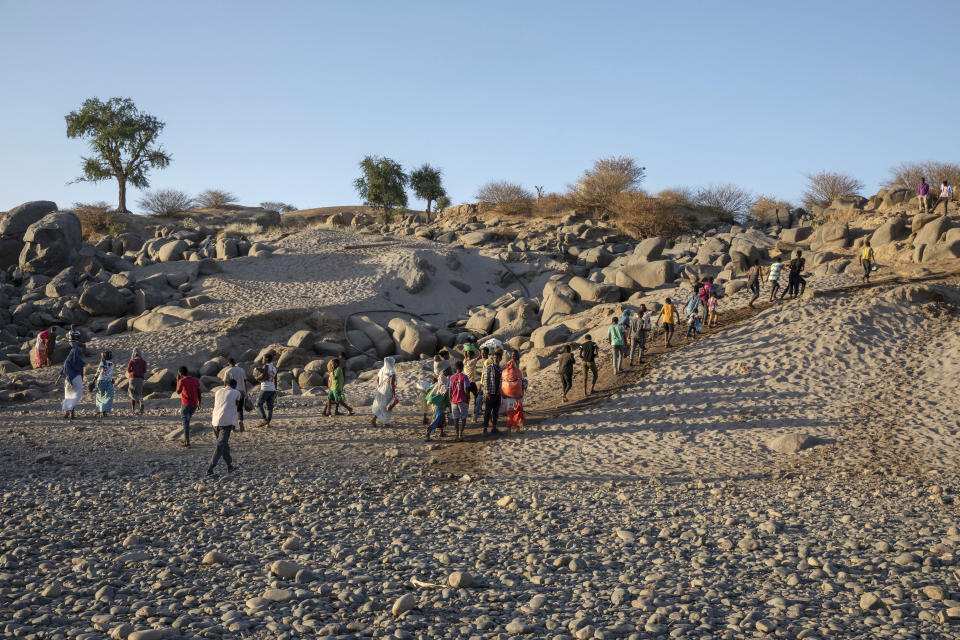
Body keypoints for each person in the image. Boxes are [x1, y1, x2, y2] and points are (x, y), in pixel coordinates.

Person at [207, 378, 240, 476]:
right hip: (226, 423)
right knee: (220, 445)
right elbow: (237, 406)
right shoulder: (236, 392)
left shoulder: (218, 392)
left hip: (215, 421)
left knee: (223, 444)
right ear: (234, 386)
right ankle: (210, 468)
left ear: (226, 384)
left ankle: (229, 465)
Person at [57, 344, 85, 419]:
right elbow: (82, 371)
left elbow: (63, 371)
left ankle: (67, 413)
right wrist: (81, 380)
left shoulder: (67, 360)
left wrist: (57, 380)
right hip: (77, 379)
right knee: (75, 396)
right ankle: (72, 413)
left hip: (68, 380)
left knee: (68, 397)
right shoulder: (79, 361)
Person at [176, 366, 202, 448]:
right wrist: (199, 402)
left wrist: (178, 381)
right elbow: (199, 391)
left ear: (180, 373)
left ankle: (187, 441)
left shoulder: (182, 381)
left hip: (186, 404)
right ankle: (185, 438)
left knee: (185, 422)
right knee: (187, 421)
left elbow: (178, 392)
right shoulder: (195, 380)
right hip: (194, 404)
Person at [500, 356, 526, 431]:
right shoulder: (518, 371)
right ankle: (518, 427)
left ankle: (509, 427)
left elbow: (502, 384)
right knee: (518, 411)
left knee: (510, 411)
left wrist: (503, 394)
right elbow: (524, 383)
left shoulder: (504, 372)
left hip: (508, 396)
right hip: (518, 396)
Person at [371, 357, 398, 427]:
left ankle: (374, 419)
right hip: (387, 390)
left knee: (380, 406)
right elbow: (392, 383)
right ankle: (386, 423)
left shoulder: (382, 369)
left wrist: (380, 386)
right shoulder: (391, 370)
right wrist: (393, 392)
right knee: (387, 407)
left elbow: (377, 379)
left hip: (380, 390)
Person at [221, 358, 247, 429]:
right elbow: (245, 382)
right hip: (241, 391)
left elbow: (225, 383)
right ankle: (240, 421)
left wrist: (224, 392)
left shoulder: (228, 371)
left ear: (228, 363)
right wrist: (246, 393)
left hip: (232, 392)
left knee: (232, 408)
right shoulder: (241, 370)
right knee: (240, 408)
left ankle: (233, 426)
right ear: (235, 362)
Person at [481, 350, 503, 436]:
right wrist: (487, 392)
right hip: (490, 393)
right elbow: (486, 380)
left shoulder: (501, 369)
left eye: (497, 358)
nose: (495, 359)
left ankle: (494, 427)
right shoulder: (489, 367)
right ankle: (485, 430)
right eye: (494, 357)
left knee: (495, 412)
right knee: (487, 412)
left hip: (498, 394)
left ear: (500, 359)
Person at [254, 353, 277, 427]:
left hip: (265, 388)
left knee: (258, 404)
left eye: (263, 358)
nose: (262, 360)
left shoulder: (266, 366)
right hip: (272, 389)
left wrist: (257, 378)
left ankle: (264, 419)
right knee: (270, 407)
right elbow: (275, 379)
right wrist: (275, 389)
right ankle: (268, 423)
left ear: (266, 359)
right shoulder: (274, 368)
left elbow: (264, 375)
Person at [426, 367, 449, 440]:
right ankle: (428, 433)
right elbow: (447, 397)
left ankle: (441, 433)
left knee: (442, 419)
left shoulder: (436, 385)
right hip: (439, 406)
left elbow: (428, 390)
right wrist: (449, 405)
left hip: (436, 405)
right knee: (437, 419)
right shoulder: (445, 387)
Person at [449, 360, 470, 441]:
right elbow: (465, 389)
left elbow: (450, 390)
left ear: (455, 368)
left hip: (454, 401)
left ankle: (457, 435)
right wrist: (467, 398)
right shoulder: (464, 377)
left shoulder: (452, 377)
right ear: (462, 368)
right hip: (462, 400)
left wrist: (451, 399)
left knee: (456, 419)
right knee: (463, 417)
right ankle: (461, 434)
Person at [463, 345, 482, 423]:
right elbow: (480, 355)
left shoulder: (465, 361)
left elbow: (464, 354)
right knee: (476, 398)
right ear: (473, 355)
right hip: (472, 383)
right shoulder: (473, 361)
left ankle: (466, 414)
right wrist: (477, 348)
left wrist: (466, 349)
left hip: (466, 383)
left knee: (467, 399)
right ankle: (474, 414)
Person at [93, 351, 115, 418]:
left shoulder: (102, 362)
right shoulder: (112, 364)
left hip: (100, 381)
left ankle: (98, 410)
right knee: (109, 396)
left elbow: (98, 372)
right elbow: (109, 373)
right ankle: (104, 411)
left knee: (100, 395)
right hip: (108, 381)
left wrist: (94, 380)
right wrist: (112, 380)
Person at [126, 348, 147, 415]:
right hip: (140, 379)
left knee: (131, 392)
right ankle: (141, 405)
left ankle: (133, 410)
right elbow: (144, 371)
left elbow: (128, 370)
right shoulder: (144, 362)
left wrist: (132, 372)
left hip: (132, 378)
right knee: (139, 393)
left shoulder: (132, 360)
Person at [474, 346, 490, 422]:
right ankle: (475, 418)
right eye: (482, 353)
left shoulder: (489, 362)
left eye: (484, 353)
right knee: (478, 401)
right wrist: (480, 386)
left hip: (487, 386)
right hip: (482, 384)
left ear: (488, 353)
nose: (483, 355)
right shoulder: (484, 362)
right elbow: (483, 375)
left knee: (486, 403)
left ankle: (487, 419)